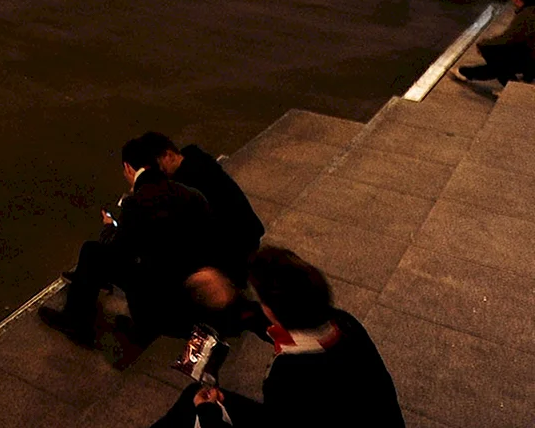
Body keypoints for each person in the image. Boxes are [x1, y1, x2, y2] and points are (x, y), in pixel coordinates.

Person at [146, 247, 402, 428]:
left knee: (194, 402)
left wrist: (209, 413)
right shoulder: (341, 322)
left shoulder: (289, 377)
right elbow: (270, 321)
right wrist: (231, 300)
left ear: (272, 309)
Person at [38, 134, 222, 347]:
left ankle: (76, 323)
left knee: (92, 252)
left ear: (128, 168)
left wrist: (108, 228)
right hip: (195, 292)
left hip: (159, 296)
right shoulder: (191, 194)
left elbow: (120, 250)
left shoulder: (136, 203)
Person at [155, 134, 265, 291]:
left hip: (235, 244)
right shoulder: (198, 160)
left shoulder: (189, 182)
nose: (161, 171)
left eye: (160, 166)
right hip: (247, 231)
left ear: (168, 155)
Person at [457, 0, 535, 85]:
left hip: (531, 56)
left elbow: (510, 37)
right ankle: (467, 72)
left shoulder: (527, 15)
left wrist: (485, 43)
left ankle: (508, 82)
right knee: (500, 62)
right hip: (530, 52)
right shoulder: (530, 11)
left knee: (493, 54)